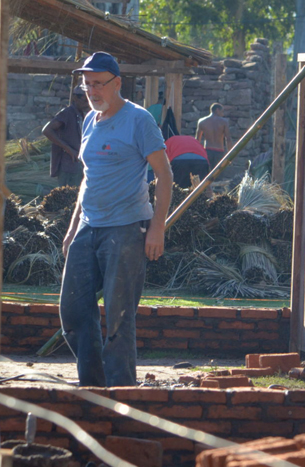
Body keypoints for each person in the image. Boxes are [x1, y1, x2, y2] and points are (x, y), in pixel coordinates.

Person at [60, 52, 174, 388]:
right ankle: (94, 386)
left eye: (98, 83)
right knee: (74, 312)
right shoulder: (88, 121)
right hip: (88, 227)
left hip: (126, 229)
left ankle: (122, 391)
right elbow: (87, 177)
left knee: (119, 317)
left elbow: (164, 175)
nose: (91, 90)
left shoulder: (138, 121)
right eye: (86, 84)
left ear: (117, 83)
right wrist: (72, 230)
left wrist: (157, 227)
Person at [42, 86, 90, 188]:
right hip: (68, 166)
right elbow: (47, 130)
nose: (87, 103)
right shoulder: (67, 113)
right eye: (85, 100)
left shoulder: (82, 115)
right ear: (75, 98)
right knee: (68, 197)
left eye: (89, 99)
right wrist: (68, 149)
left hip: (78, 165)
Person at [195, 103, 232, 170]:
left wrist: (197, 154)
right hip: (219, 151)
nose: (223, 114)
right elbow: (228, 139)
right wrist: (230, 154)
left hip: (207, 151)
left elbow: (197, 140)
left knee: (207, 175)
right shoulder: (224, 122)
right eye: (222, 111)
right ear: (217, 110)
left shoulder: (202, 121)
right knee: (218, 174)